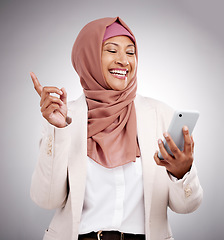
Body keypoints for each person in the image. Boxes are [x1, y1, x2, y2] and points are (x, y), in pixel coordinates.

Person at [30, 17, 203, 240]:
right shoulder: (65, 118)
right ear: (88, 57)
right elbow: (47, 200)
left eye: (130, 53)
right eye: (112, 50)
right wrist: (58, 130)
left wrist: (182, 173)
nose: (124, 61)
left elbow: (187, 206)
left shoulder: (161, 115)